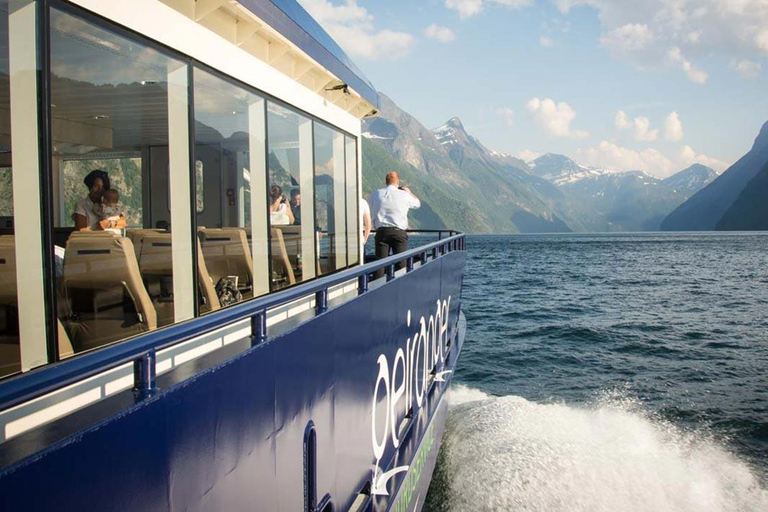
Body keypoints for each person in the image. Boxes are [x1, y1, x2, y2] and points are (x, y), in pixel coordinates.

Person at [368, 171, 420, 279]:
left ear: (386, 182)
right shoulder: (404, 195)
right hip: (398, 232)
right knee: (401, 264)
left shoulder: (376, 193)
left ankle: (378, 287)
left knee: (380, 264)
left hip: (381, 232)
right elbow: (417, 204)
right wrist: (409, 192)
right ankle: (399, 287)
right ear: (397, 182)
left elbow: (370, 206)